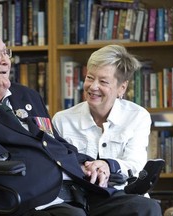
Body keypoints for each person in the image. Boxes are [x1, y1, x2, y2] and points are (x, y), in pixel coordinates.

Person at [0, 18, 161, 216]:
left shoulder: (25, 94)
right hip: (24, 196)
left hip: (75, 188)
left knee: (145, 208)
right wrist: (40, 163)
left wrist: (87, 163)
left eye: (6, 52)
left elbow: (55, 141)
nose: (6, 60)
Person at [52, 45, 152, 189]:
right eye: (90, 78)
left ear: (121, 88)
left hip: (121, 194)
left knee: (148, 208)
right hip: (77, 196)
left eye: (103, 82)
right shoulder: (62, 120)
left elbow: (135, 165)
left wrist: (108, 165)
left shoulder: (137, 117)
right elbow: (56, 165)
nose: (93, 87)